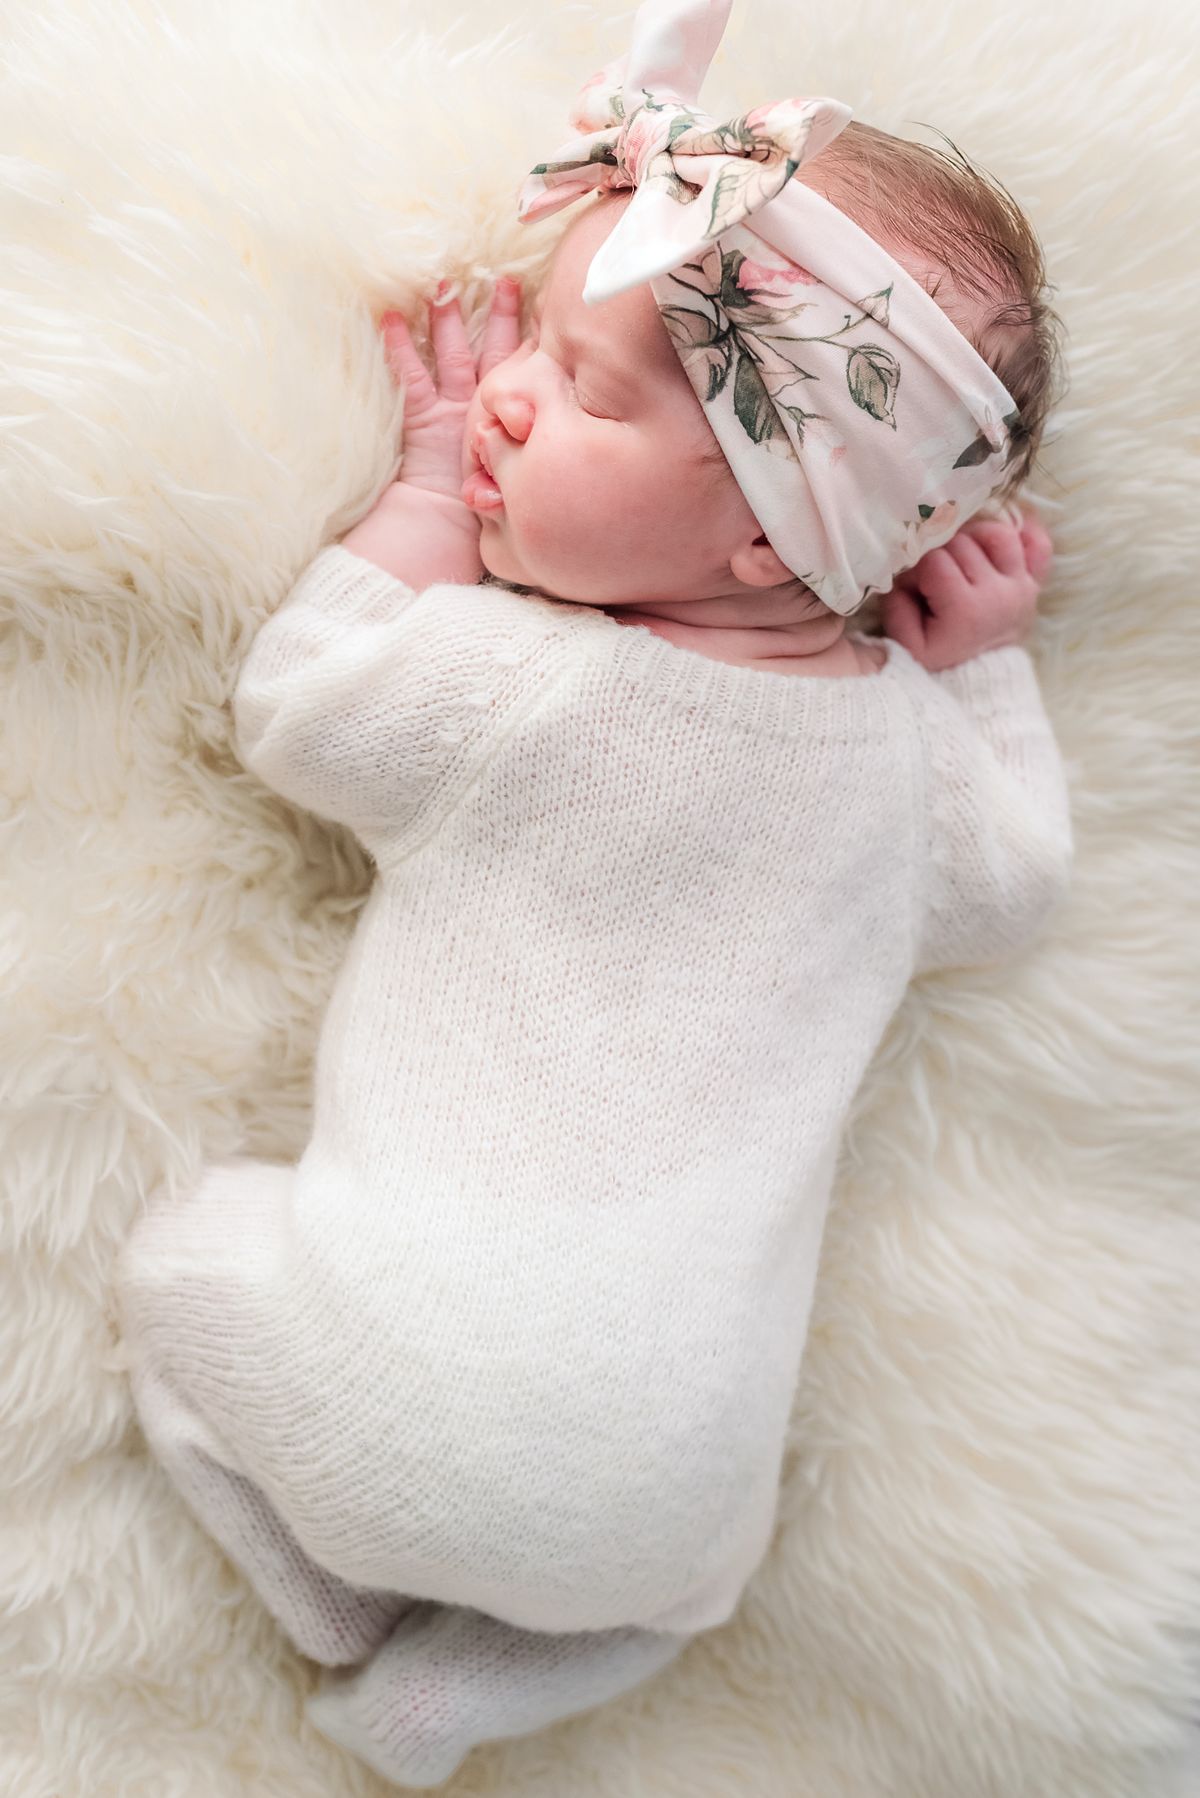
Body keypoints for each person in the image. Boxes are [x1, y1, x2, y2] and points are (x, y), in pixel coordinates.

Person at [113, 0, 1074, 1785]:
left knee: (175, 1259)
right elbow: (1015, 888)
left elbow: (306, 703)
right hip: (672, 1514)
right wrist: (988, 665)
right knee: (680, 1584)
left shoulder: (525, 693)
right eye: (537, 348)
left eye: (588, 392)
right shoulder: (910, 772)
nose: (505, 392)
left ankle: (319, 1594)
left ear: (769, 536)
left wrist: (412, 495)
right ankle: (468, 1689)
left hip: (374, 1391)